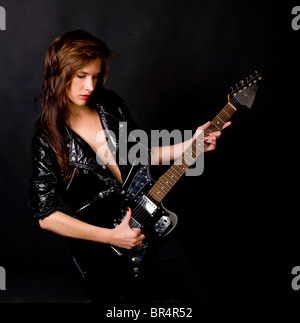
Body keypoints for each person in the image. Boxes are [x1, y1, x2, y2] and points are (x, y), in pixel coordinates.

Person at [28, 30, 230, 304]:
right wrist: (113, 236)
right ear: (58, 73)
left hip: (149, 223)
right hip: (104, 250)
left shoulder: (110, 105)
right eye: (81, 76)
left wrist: (191, 145)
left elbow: (139, 156)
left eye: (95, 76)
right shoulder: (46, 140)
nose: (89, 85)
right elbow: (46, 216)